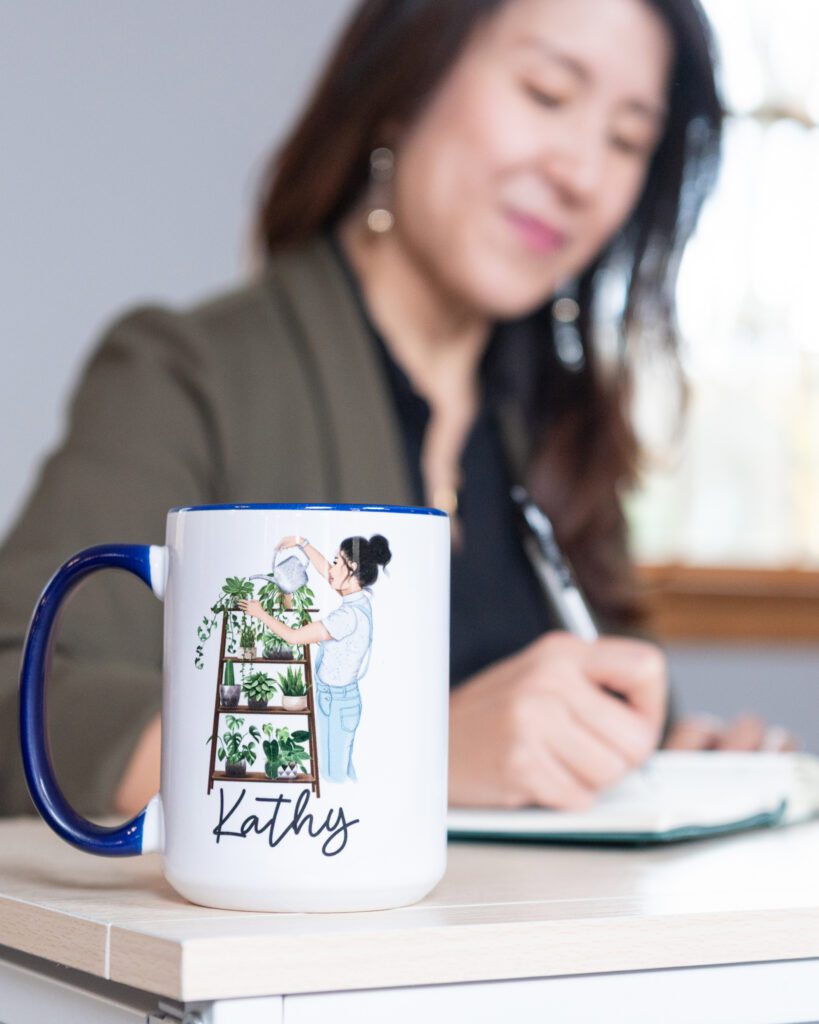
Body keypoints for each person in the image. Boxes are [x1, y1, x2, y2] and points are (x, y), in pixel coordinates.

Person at [0, 0, 797, 821]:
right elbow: (23, 699)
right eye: (546, 93)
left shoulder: (557, 425)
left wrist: (657, 761)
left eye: (626, 141)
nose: (582, 175)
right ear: (405, 83)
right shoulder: (185, 373)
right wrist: (420, 751)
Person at [238, 533, 391, 783]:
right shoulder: (359, 601)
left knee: (333, 774)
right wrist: (302, 544)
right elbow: (326, 572)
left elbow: (293, 637)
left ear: (352, 570)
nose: (330, 568)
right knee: (338, 765)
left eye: (337, 562)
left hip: (336, 702)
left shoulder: (347, 616)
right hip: (337, 699)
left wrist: (261, 613)